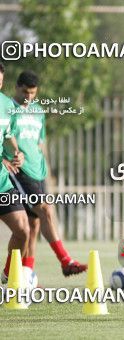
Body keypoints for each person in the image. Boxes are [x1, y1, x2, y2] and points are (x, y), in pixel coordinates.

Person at [1, 70, 87, 282]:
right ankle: (65, 261)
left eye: (33, 93)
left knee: (34, 225)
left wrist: (37, 163)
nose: (29, 97)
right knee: (45, 211)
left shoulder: (38, 111)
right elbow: (6, 138)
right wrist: (7, 158)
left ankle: (28, 274)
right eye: (25, 92)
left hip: (38, 171)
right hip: (18, 173)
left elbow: (39, 143)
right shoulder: (10, 108)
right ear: (16, 88)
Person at [0, 63, 31, 279]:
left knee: (23, 230)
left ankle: (8, 276)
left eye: (0, 81)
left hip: (1, 182)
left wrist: (16, 153)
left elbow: (8, 135)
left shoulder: (5, 105)